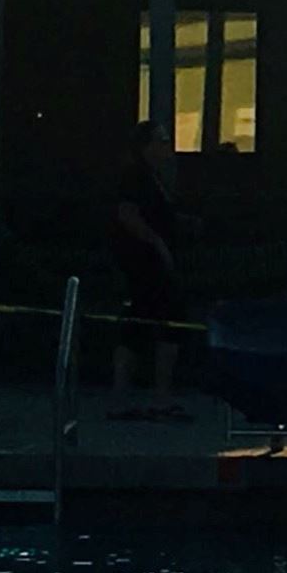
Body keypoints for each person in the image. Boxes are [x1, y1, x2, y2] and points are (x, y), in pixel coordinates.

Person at [109, 119, 188, 418]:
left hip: (153, 261)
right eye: (161, 141)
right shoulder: (135, 177)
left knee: (152, 323)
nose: (166, 147)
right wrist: (156, 242)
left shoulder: (154, 177)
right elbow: (126, 213)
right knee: (148, 323)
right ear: (146, 146)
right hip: (143, 263)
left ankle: (151, 394)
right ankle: (149, 395)